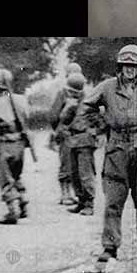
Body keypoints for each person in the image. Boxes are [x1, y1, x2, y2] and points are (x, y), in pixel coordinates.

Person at [83, 44, 137, 262]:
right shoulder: (107, 87)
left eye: (134, 66)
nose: (130, 70)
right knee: (113, 201)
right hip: (116, 149)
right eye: (126, 65)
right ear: (120, 67)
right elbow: (87, 107)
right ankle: (110, 247)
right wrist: (102, 126)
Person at [0, 69, 31, 224]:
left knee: (5, 176)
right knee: (17, 174)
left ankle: (13, 210)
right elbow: (26, 119)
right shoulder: (22, 100)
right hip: (20, 144)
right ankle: (23, 203)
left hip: (5, 144)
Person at [60, 73, 101, 216]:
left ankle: (89, 204)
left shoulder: (90, 102)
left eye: (71, 91)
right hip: (72, 141)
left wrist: (93, 132)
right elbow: (63, 120)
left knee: (85, 173)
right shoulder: (71, 103)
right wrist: (68, 108)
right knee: (74, 173)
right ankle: (81, 201)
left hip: (85, 141)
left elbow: (101, 120)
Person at [50, 62, 83, 206]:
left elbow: (53, 116)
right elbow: (53, 116)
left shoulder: (78, 94)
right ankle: (65, 194)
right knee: (67, 164)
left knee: (73, 164)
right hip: (69, 133)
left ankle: (72, 193)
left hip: (74, 134)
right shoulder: (64, 93)